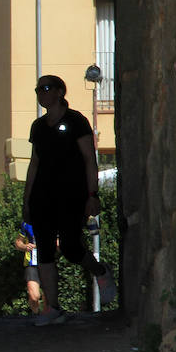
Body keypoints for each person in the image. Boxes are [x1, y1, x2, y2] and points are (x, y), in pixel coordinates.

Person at [22, 74, 118, 326]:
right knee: (44, 249)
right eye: (37, 89)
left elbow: (89, 159)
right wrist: (26, 199)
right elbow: (34, 163)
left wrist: (92, 194)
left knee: (70, 247)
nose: (41, 93)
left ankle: (100, 271)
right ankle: (53, 307)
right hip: (43, 196)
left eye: (45, 88)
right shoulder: (38, 127)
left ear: (59, 92)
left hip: (71, 195)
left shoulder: (77, 122)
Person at [13, 223, 44, 315]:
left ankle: (45, 314)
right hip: (32, 263)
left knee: (48, 296)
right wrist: (25, 246)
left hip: (47, 262)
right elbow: (18, 242)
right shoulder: (27, 223)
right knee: (34, 296)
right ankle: (36, 314)